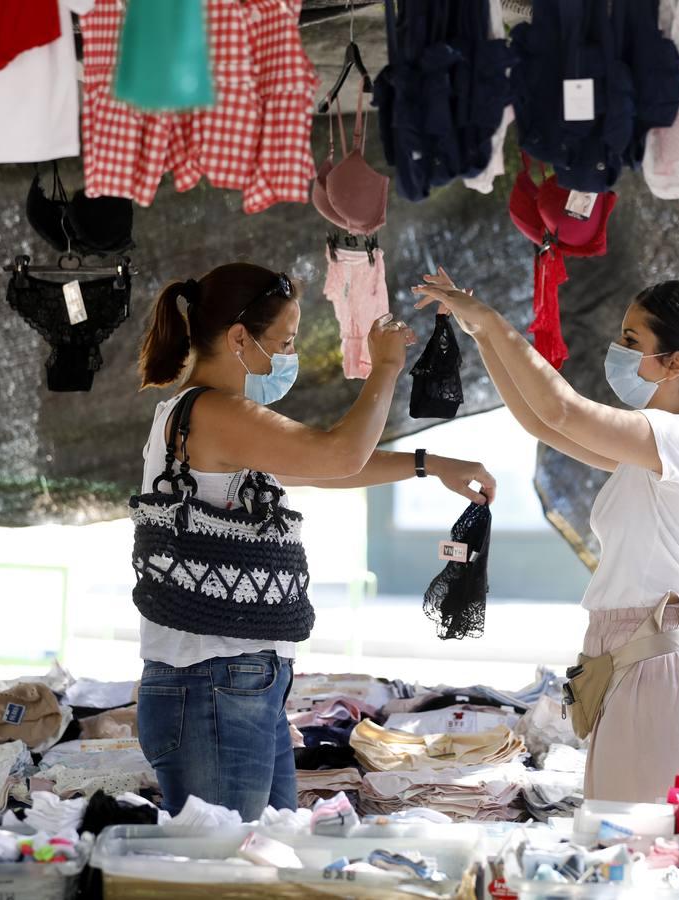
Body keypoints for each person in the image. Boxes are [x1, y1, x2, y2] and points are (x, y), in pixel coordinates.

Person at [134, 262, 496, 820]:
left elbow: (325, 469)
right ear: (238, 338)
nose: (288, 355)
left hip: (233, 683)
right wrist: (386, 369)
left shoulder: (211, 418)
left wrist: (429, 464)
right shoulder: (213, 411)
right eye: (284, 341)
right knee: (234, 871)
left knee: (261, 856)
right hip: (214, 684)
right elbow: (337, 454)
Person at [412, 268, 679, 803]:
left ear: (674, 364)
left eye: (631, 340)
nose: (616, 350)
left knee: (640, 852)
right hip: (631, 661)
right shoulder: (649, 446)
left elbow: (562, 408)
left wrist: (489, 318)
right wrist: (481, 333)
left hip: (657, 665)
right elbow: (543, 424)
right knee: (620, 844)